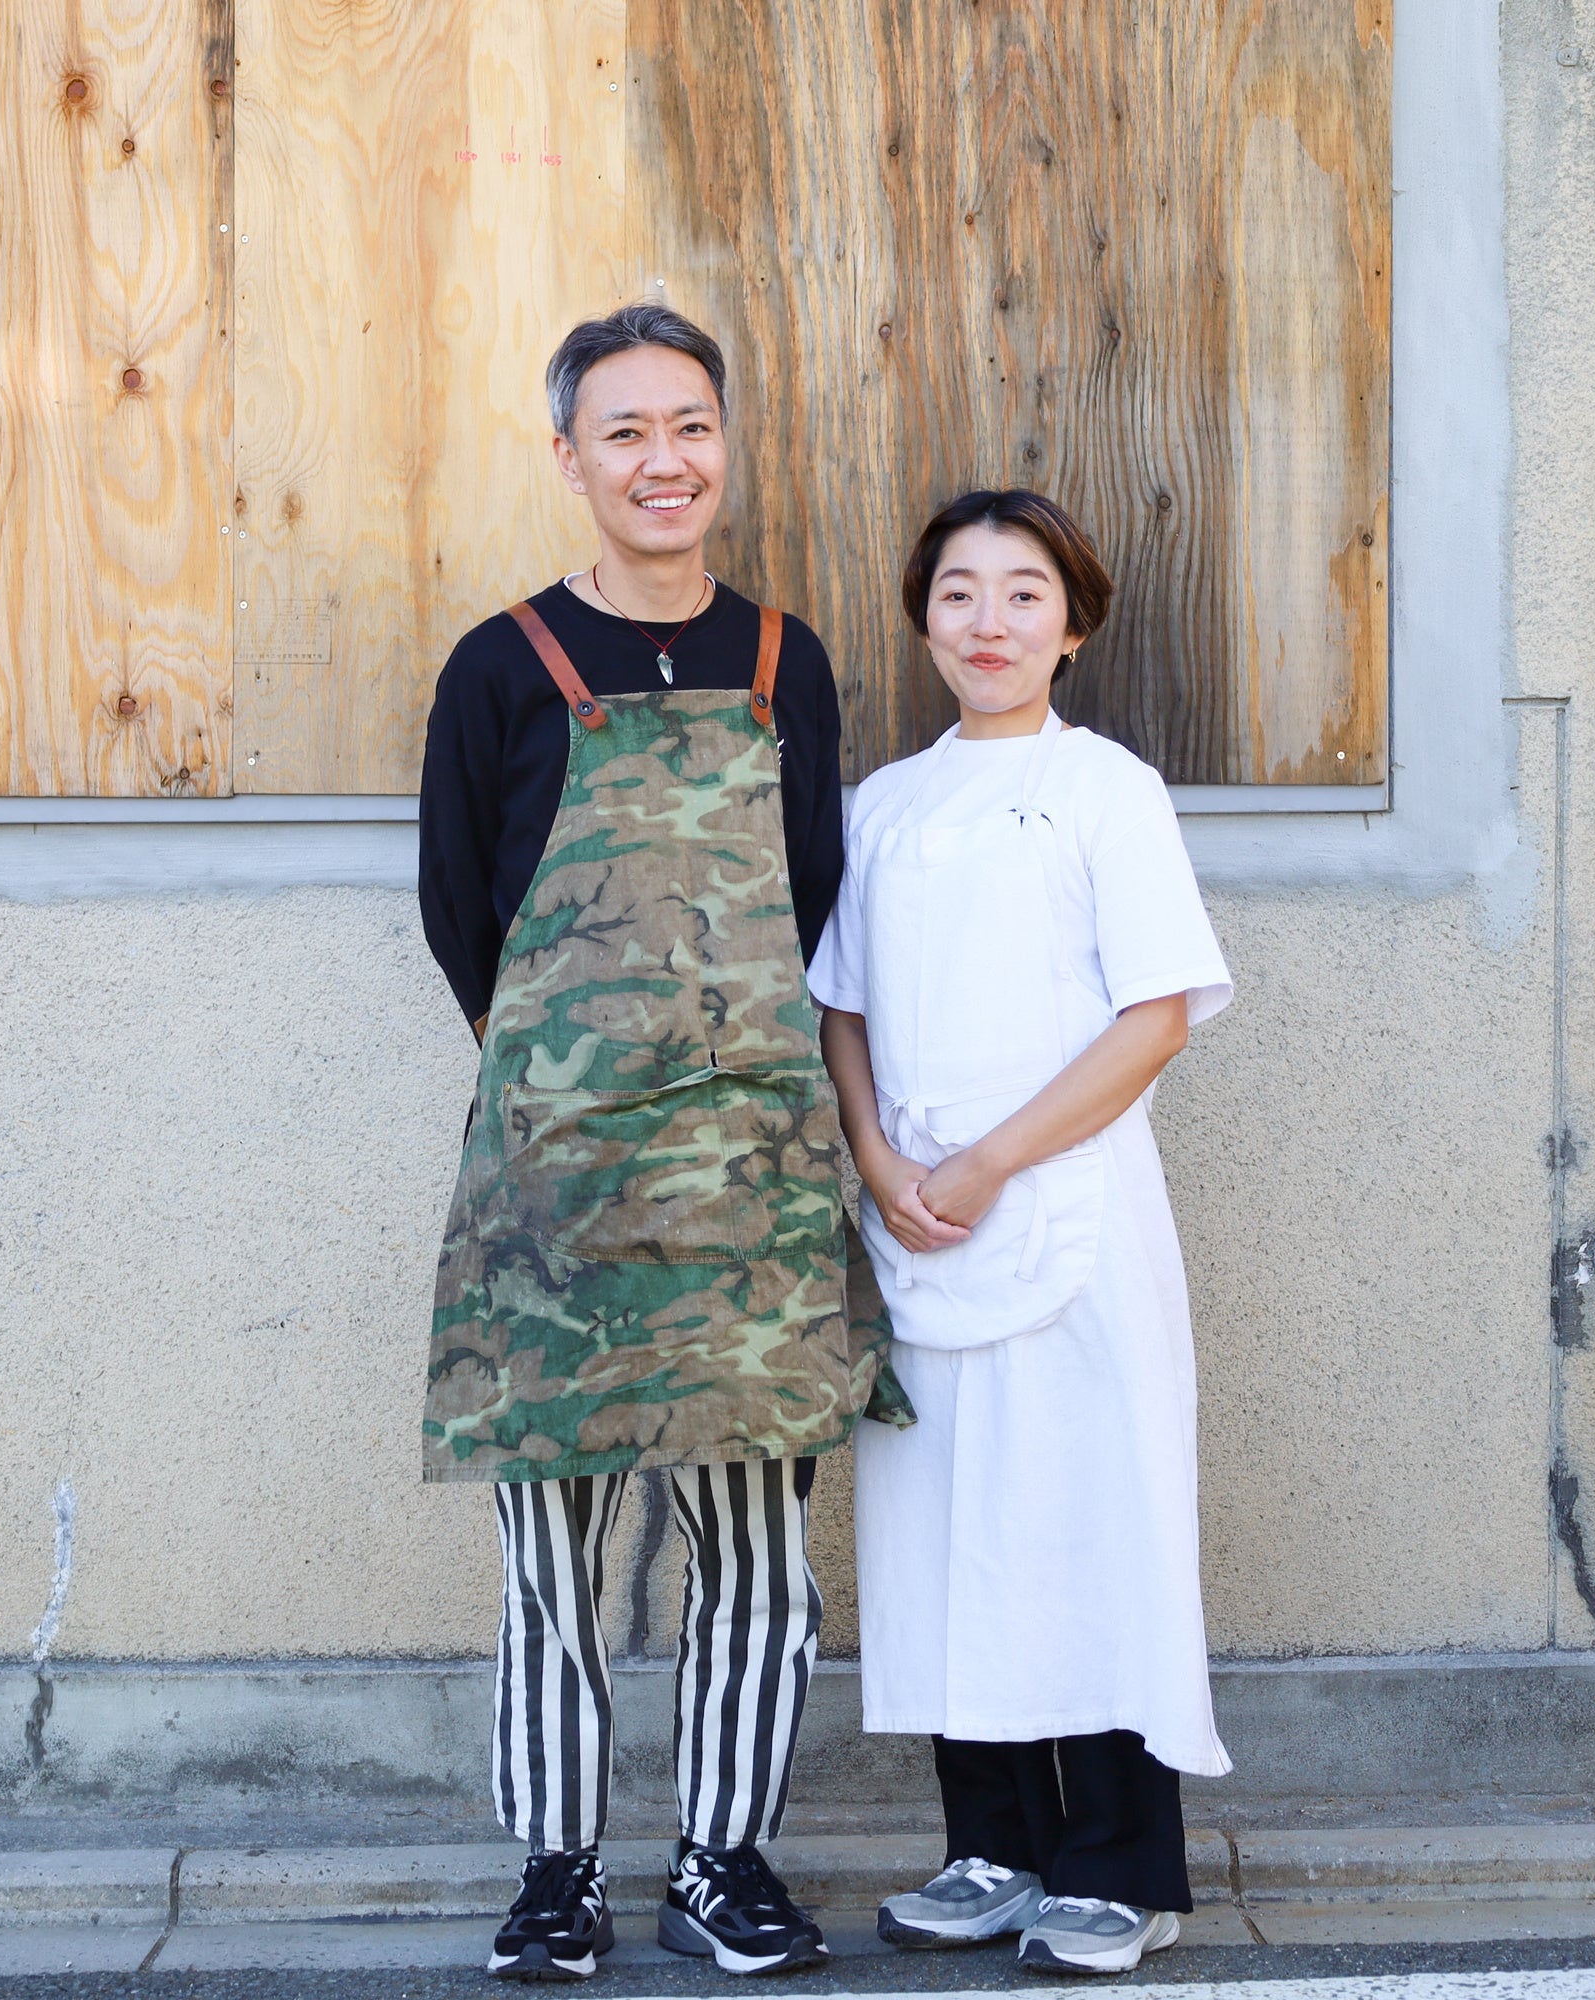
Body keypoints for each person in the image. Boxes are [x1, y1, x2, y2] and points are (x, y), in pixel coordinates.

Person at [418, 302, 905, 1983]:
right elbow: (456, 910)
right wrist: (584, 1078)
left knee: (757, 1561)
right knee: (551, 1554)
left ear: (725, 443)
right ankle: (557, 1868)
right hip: (555, 1191)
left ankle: (722, 1855)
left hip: (757, 1187)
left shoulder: (792, 661)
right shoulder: (501, 666)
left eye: (688, 424)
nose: (662, 459)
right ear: (571, 459)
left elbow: (817, 899)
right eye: (624, 431)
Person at [810, 489, 1234, 1977]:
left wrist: (991, 1160)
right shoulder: (882, 806)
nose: (990, 625)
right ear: (924, 620)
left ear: (1075, 622)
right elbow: (841, 1007)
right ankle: (990, 1846)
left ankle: (1123, 1865)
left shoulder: (1109, 789)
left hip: (1065, 1216)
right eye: (960, 596)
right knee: (944, 1534)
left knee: (1086, 1524)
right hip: (920, 1227)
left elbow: (1158, 1016)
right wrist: (878, 1158)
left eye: (1023, 596)